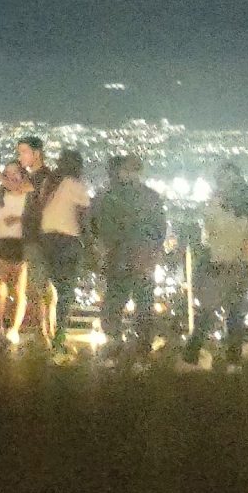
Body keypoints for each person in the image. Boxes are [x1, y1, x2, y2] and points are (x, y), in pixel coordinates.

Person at [185, 163, 248, 370]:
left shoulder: (216, 205)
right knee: (235, 316)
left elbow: (208, 234)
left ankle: (191, 356)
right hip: (239, 265)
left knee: (207, 314)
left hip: (218, 264)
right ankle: (233, 361)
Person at [91, 153, 168, 364]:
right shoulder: (150, 197)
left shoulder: (111, 196)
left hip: (120, 256)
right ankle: (141, 349)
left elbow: (101, 226)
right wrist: (153, 250)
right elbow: (159, 229)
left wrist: (105, 247)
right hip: (141, 258)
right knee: (142, 303)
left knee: (115, 301)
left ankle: (115, 343)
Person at [24, 148, 92, 351]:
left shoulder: (49, 183)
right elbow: (84, 216)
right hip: (67, 240)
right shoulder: (74, 184)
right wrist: (89, 243)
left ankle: (43, 330)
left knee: (47, 287)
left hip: (45, 239)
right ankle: (59, 335)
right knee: (65, 291)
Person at [0, 144, 39, 336]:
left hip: (21, 244)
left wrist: (17, 219)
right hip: (4, 243)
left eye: (14, 173)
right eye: (7, 174)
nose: (11, 177)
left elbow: (35, 219)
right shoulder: (1, 199)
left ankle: (14, 329)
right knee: (0, 290)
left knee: (18, 291)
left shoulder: (29, 196)